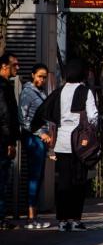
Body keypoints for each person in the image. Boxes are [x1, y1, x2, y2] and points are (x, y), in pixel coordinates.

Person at [33, 59, 98, 232]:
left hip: (62, 143)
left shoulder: (59, 91)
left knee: (63, 183)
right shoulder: (85, 91)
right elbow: (93, 116)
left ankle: (62, 221)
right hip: (80, 145)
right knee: (78, 182)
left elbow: (44, 111)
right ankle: (75, 219)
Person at [18, 63, 53, 229]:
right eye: (40, 76)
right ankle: (31, 218)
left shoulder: (41, 92)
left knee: (38, 177)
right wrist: (41, 133)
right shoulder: (27, 92)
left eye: (44, 77)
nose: (42, 79)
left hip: (41, 139)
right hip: (33, 138)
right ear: (33, 75)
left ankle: (35, 216)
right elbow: (23, 119)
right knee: (34, 176)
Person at [0, 52, 21, 230]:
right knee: (2, 178)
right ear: (4, 66)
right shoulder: (3, 87)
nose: (18, 68)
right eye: (14, 65)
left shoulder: (6, 85)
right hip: (2, 140)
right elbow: (5, 115)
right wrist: (10, 141)